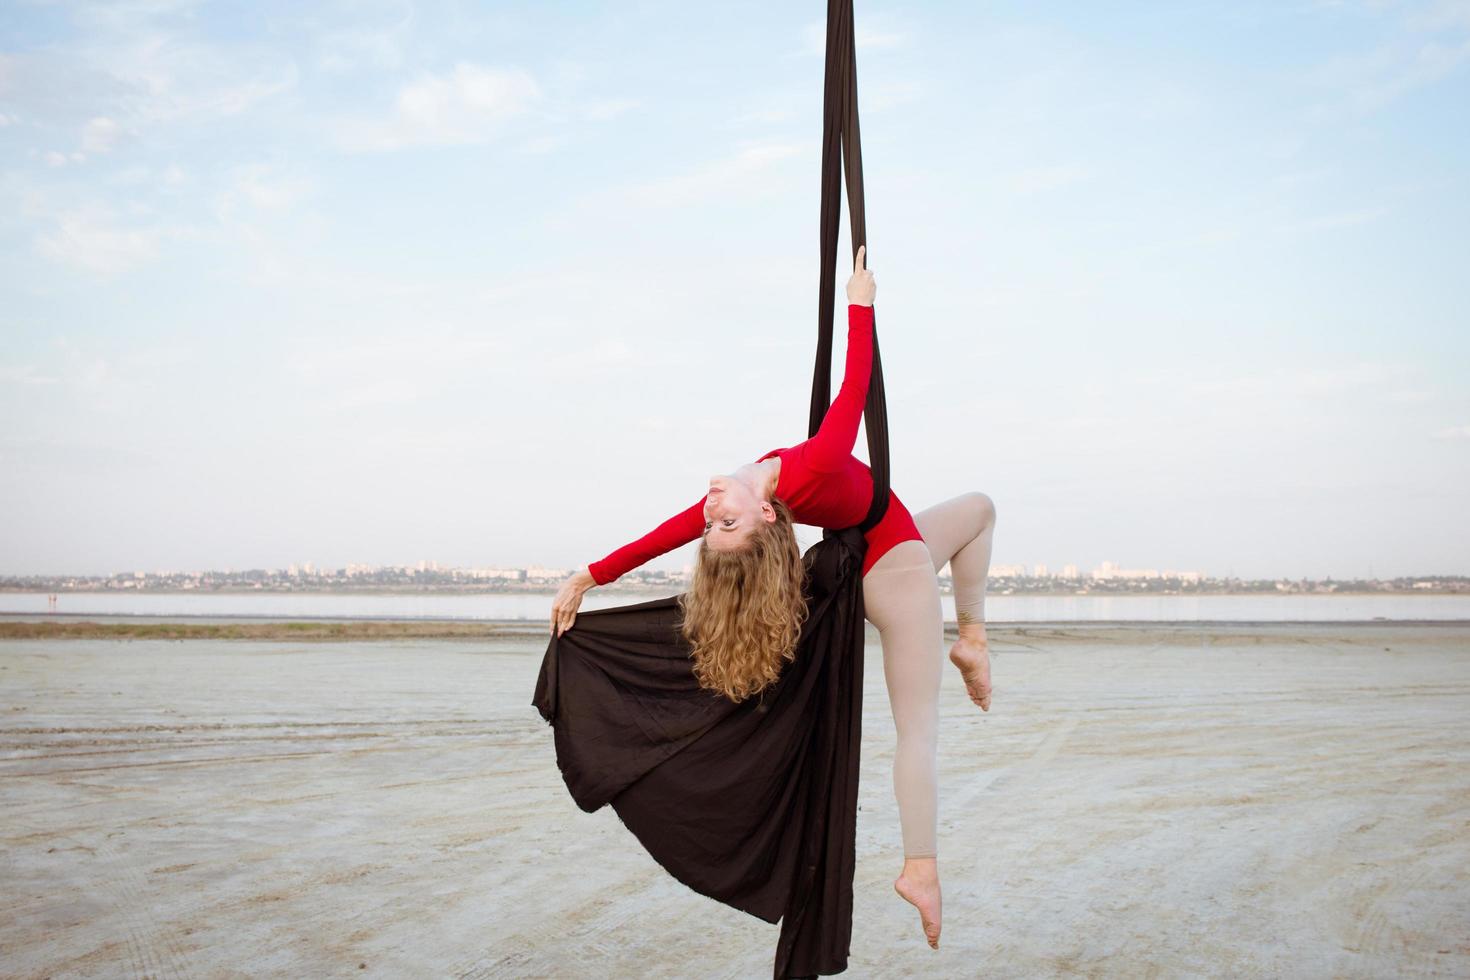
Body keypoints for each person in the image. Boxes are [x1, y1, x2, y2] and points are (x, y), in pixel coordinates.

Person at [550, 245, 997, 951]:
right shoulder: (805, 469)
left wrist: (590, 575)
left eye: (714, 523)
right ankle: (921, 867)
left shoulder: (747, 490)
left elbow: (670, 530)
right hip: (895, 568)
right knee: (919, 730)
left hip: (889, 539)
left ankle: (971, 639)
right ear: (765, 520)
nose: (710, 510)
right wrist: (859, 302)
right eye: (725, 523)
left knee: (978, 509)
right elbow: (852, 394)